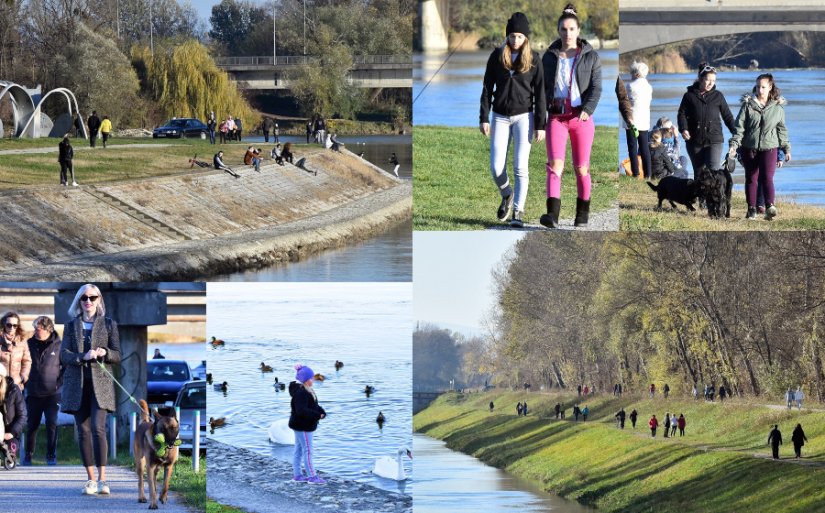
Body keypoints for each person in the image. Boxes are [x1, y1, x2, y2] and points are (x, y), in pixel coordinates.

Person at [479, 12, 546, 228]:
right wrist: (484, 117)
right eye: (512, 36)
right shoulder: (496, 57)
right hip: (499, 117)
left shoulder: (534, 59)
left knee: (520, 168)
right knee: (496, 168)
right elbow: (487, 88)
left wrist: (540, 125)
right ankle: (507, 194)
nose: (515, 40)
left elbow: (541, 94)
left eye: (519, 36)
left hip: (524, 117)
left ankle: (518, 212)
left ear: (525, 38)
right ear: (507, 36)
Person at [540, 4, 601, 229]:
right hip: (556, 117)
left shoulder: (591, 57)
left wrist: (588, 109)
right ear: (559, 31)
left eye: (572, 29)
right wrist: (541, 113)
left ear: (578, 30)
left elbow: (596, 88)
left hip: (581, 118)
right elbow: (542, 87)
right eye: (564, 29)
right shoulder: (549, 57)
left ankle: (582, 215)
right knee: (555, 165)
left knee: (581, 168)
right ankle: (552, 216)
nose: (568, 33)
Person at [60, 284, 122, 495]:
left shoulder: (109, 324)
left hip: (101, 385)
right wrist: (81, 357)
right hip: (77, 385)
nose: (88, 301)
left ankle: (104, 480)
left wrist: (104, 351)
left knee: (97, 428)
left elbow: (117, 354)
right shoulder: (70, 326)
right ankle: (91, 480)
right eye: (84, 298)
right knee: (84, 431)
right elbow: (64, 355)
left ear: (99, 300)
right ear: (79, 301)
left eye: (92, 298)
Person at [728, 74, 790, 220]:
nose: (760, 90)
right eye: (757, 86)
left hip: (770, 147)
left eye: (763, 87)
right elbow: (739, 128)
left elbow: (782, 130)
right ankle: (751, 209)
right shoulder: (747, 106)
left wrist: (786, 149)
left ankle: (770, 206)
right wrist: (734, 145)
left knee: (767, 178)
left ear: (770, 87)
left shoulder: (777, 108)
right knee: (751, 178)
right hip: (749, 147)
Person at [677, 64, 735, 177]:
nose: (710, 83)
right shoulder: (689, 96)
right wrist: (683, 129)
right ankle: (699, 195)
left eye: (713, 80)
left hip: (714, 140)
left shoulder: (718, 96)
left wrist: (736, 133)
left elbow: (728, 116)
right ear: (700, 79)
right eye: (708, 80)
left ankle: (715, 195)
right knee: (699, 173)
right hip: (694, 140)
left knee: (713, 171)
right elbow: (681, 114)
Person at [24, 316, 63, 466]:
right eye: (34, 328)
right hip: (33, 393)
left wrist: (58, 384)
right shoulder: (28, 344)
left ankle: (51, 455)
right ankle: (28, 455)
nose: (35, 331)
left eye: (38, 329)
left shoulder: (59, 345)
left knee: (51, 424)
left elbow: (65, 367)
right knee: (32, 425)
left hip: (52, 394)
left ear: (48, 330)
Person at [289, 363, 327, 484]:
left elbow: (313, 405)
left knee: (299, 450)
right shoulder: (301, 393)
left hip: (300, 425)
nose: (313, 379)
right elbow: (302, 411)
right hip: (303, 426)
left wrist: (321, 411)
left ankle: (298, 475)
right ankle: (312, 476)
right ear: (305, 380)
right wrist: (317, 415)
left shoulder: (307, 390)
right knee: (308, 451)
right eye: (311, 378)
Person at [624, 61, 653, 178]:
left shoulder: (630, 86)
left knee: (632, 148)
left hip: (632, 121)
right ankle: (648, 174)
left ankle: (636, 173)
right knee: (645, 148)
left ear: (635, 73)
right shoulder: (649, 87)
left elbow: (626, 103)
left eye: (631, 72)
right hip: (644, 120)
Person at [0, 363, 26, 460]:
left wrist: (12, 433)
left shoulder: (14, 390)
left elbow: (22, 416)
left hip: (10, 432)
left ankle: (9, 458)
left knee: (10, 453)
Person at [0, 311, 31, 391]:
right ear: (4, 325)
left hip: (16, 385)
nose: (11, 328)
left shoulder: (22, 341)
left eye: (14, 325)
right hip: (1, 384)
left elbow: (27, 361)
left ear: (18, 326)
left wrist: (23, 377)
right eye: (9, 325)